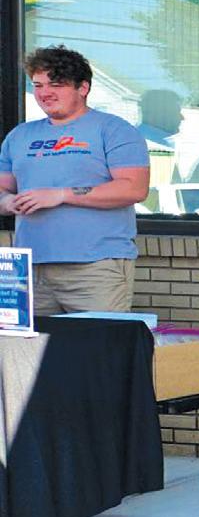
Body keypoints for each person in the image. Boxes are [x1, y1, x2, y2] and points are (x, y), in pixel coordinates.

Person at [0, 46, 150, 315]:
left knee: (98, 341)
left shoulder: (114, 129)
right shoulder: (19, 136)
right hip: (29, 268)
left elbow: (134, 188)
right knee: (31, 344)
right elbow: (2, 189)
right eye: (38, 85)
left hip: (95, 266)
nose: (45, 93)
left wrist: (61, 195)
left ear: (83, 88)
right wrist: (8, 201)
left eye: (56, 84)